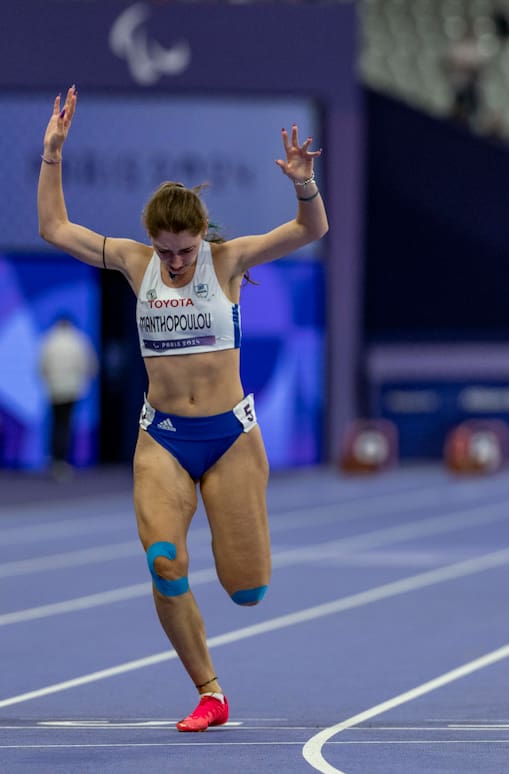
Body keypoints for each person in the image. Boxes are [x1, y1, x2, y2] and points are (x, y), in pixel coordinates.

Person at [37, 86, 328, 730]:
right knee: (164, 562)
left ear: (202, 236)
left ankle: (239, 560)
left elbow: (312, 230)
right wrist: (52, 154)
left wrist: (304, 186)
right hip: (162, 438)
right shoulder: (134, 262)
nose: (172, 263)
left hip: (229, 438)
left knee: (246, 590)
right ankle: (211, 692)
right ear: (151, 240)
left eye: (183, 251)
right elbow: (54, 228)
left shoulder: (227, 262)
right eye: (164, 250)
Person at [38, 315, 99, 480]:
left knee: (56, 424)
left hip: (54, 389)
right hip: (73, 389)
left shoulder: (49, 340)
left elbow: (41, 366)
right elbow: (90, 366)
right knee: (66, 425)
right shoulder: (79, 340)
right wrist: (83, 383)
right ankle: (62, 462)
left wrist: (48, 381)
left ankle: (55, 461)